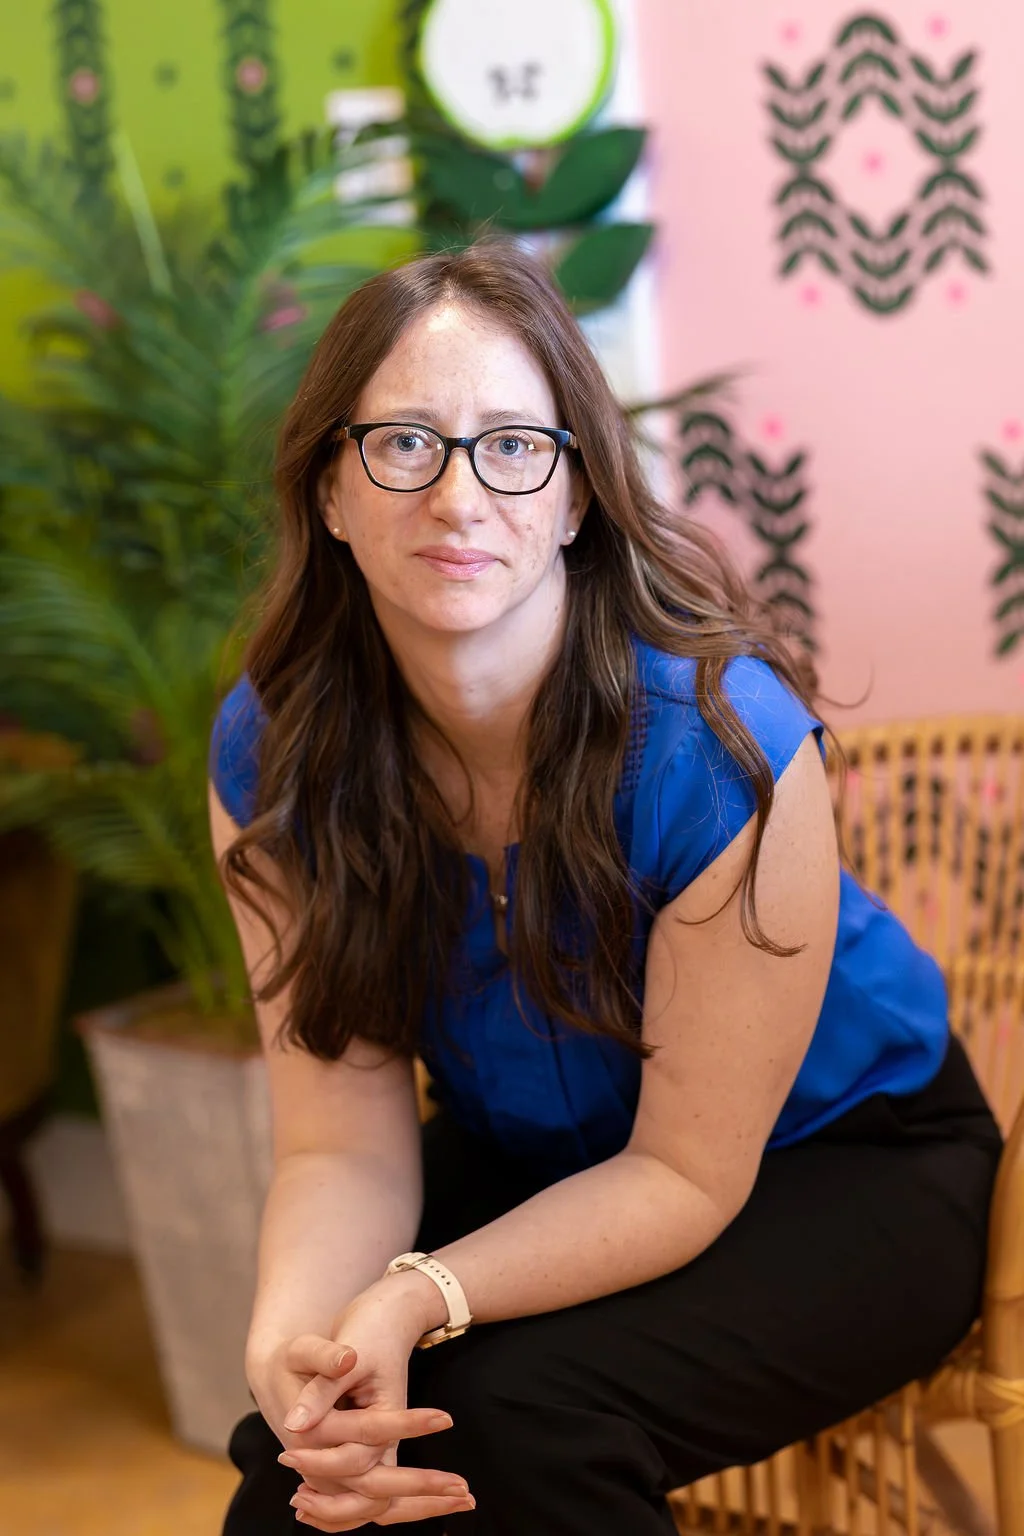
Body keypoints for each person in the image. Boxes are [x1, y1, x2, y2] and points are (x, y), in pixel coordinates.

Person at [208, 240, 1001, 1536]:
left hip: (847, 1165)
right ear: (330, 491)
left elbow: (685, 1175)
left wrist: (418, 1294)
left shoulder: (720, 750)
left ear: (576, 496)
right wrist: (294, 1350)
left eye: (514, 446)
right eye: (403, 445)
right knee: (309, 1468)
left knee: (514, 1428)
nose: (459, 498)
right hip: (543, 1166)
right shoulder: (278, 754)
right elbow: (339, 1141)